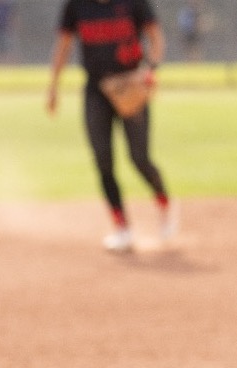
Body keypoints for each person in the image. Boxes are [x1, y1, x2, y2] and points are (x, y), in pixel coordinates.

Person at [47, 0, 179, 252]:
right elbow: (64, 45)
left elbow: (155, 36)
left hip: (130, 84)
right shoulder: (76, 5)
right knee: (103, 160)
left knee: (139, 159)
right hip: (97, 91)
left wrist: (151, 69)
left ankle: (164, 205)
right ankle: (122, 227)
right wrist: (53, 86)